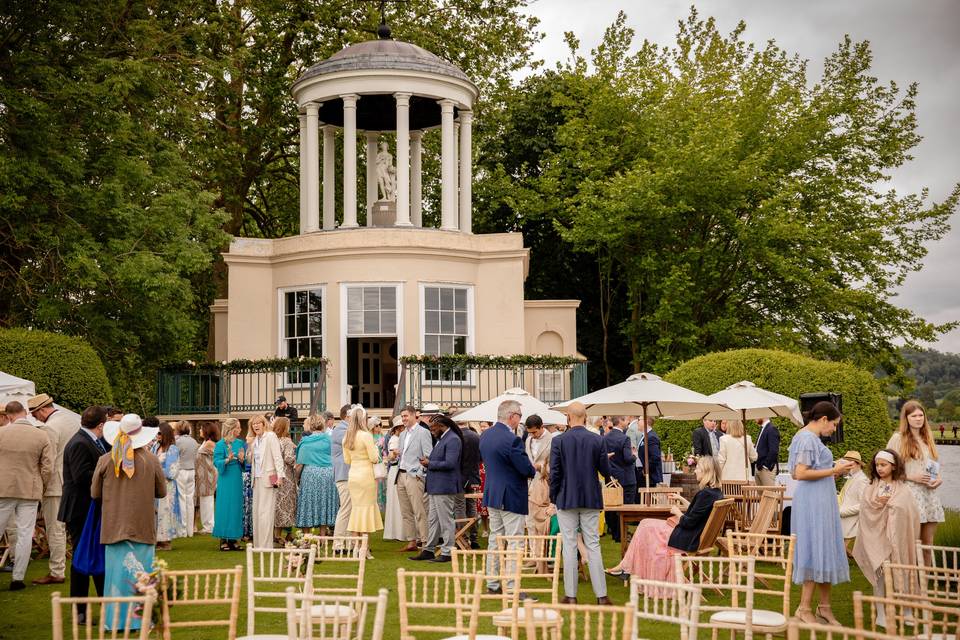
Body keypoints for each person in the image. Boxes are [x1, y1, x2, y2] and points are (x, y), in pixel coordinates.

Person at [604, 456, 724, 589]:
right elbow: (698, 514)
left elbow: (689, 522)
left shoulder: (705, 494)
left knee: (645, 526)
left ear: (707, 472)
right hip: (694, 536)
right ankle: (625, 567)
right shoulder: (715, 493)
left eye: (698, 468)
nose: (695, 471)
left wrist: (677, 512)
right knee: (645, 525)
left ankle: (626, 567)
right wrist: (681, 499)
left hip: (687, 538)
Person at [93, 415, 164, 631]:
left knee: (115, 575)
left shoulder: (105, 460)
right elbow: (162, 491)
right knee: (142, 574)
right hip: (142, 524)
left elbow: (94, 492)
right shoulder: (151, 460)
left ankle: (114, 621)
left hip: (114, 524)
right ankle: (140, 619)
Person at [789, 401, 854, 625]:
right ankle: (804, 608)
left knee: (825, 549)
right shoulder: (807, 438)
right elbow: (800, 473)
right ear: (824, 419)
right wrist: (835, 469)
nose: (834, 429)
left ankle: (824, 608)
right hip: (813, 502)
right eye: (834, 425)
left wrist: (831, 473)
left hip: (821, 499)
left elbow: (809, 471)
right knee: (814, 549)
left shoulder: (810, 438)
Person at [550, 401, 612, 605]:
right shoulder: (597, 440)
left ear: (568, 417)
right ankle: (601, 596)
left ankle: (571, 595)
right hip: (590, 496)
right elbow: (605, 470)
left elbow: (555, 473)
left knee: (569, 545)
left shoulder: (559, 441)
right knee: (593, 544)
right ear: (585, 417)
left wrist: (553, 496)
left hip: (566, 497)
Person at [852, 449, 921, 626]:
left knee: (903, 570)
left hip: (898, 538)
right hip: (876, 538)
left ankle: (906, 610)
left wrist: (892, 506)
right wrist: (879, 504)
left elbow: (909, 512)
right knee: (879, 574)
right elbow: (865, 511)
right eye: (877, 465)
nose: (880, 468)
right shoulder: (871, 486)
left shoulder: (903, 488)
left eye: (884, 465)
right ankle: (881, 612)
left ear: (894, 466)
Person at [479, 399, 536, 596]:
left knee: (495, 539)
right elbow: (525, 467)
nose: (520, 420)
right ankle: (512, 587)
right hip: (510, 494)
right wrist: (534, 469)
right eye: (519, 416)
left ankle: (493, 583)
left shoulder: (485, 436)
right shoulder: (512, 439)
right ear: (512, 416)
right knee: (515, 541)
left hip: (493, 493)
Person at [59, 405, 110, 615]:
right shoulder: (80, 442)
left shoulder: (92, 440)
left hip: (88, 508)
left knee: (95, 555)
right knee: (81, 558)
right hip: (79, 509)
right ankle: (80, 608)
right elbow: (81, 476)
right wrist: (106, 476)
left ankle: (103, 601)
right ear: (100, 424)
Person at [0, 401, 53, 590]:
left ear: (8, 416)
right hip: (29, 490)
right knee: (24, 533)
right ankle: (18, 578)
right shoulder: (41, 435)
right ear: (25, 413)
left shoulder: (1, 433)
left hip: (3, 489)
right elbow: (48, 467)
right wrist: (42, 485)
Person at [28, 393, 78, 585]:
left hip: (56, 485)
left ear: (42, 410)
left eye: (34, 414)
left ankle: (57, 571)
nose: (34, 418)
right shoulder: (71, 421)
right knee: (71, 528)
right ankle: (76, 565)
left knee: (55, 529)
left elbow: (48, 461)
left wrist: (41, 485)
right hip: (72, 482)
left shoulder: (50, 427)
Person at [887, 400, 943, 564]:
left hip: (929, 496)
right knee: (911, 545)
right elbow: (887, 469)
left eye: (921, 415)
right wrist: (912, 477)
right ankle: (909, 584)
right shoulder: (898, 438)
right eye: (914, 416)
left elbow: (933, 467)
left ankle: (925, 585)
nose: (918, 419)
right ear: (906, 418)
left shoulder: (928, 438)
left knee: (928, 545)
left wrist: (937, 479)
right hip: (909, 495)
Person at [412, 415, 462, 562]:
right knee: (433, 520)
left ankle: (447, 551)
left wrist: (429, 463)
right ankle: (429, 549)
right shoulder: (443, 439)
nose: (432, 432)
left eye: (433, 429)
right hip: (436, 486)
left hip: (444, 486)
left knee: (445, 520)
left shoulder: (452, 439)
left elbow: (450, 463)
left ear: (441, 426)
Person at [342, 405, 383, 550]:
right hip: (366, 476)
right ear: (363, 419)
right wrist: (378, 455)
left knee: (356, 510)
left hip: (353, 475)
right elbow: (374, 458)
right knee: (365, 510)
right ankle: (364, 548)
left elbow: (347, 460)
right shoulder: (366, 436)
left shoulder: (347, 436)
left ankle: (356, 545)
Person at [395, 404, 433, 552]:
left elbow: (428, 455)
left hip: (414, 476)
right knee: (405, 511)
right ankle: (412, 541)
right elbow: (402, 455)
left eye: (406, 416)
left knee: (419, 511)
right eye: (402, 416)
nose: (404, 419)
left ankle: (425, 542)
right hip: (401, 474)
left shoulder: (423, 432)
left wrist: (419, 473)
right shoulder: (403, 434)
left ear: (414, 415)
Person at [295, 414, 338, 533]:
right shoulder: (330, 439)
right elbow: (336, 457)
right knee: (324, 503)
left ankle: (306, 536)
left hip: (311, 474)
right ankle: (323, 535)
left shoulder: (305, 442)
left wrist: (296, 479)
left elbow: (299, 464)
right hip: (328, 474)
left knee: (308, 503)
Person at [250, 413, 285, 549]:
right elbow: (253, 461)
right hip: (256, 479)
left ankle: (266, 545)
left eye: (259, 423)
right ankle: (258, 544)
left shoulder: (270, 437)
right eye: (254, 424)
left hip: (269, 480)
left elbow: (277, 457)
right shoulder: (255, 441)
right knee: (257, 513)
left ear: (264, 424)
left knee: (266, 513)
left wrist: (280, 476)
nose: (256, 426)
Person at [213, 418, 245, 550]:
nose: (240, 430)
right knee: (224, 506)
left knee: (236, 507)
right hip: (225, 477)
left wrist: (242, 460)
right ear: (232, 429)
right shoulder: (220, 444)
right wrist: (227, 459)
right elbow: (216, 462)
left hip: (236, 476)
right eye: (238, 427)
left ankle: (233, 539)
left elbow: (244, 463)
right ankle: (223, 539)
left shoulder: (240, 443)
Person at [603, 415, 636, 542]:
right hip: (626, 478)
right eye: (626, 420)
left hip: (611, 477)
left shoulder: (605, 438)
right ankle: (623, 533)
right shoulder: (625, 438)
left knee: (612, 507)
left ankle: (616, 533)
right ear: (620, 422)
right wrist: (634, 455)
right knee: (625, 507)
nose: (627, 422)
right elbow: (628, 459)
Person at [152, 421, 183, 549]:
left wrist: (156, 469)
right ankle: (157, 539)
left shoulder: (172, 449)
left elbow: (172, 471)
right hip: (155, 484)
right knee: (156, 512)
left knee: (166, 512)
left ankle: (165, 540)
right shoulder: (155, 446)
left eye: (159, 433)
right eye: (156, 433)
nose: (157, 436)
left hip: (167, 486)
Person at [524, 415, 555, 540]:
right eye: (529, 432)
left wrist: (541, 468)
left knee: (543, 520)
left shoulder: (552, 440)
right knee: (530, 521)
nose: (532, 435)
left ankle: (545, 555)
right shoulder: (528, 440)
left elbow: (555, 467)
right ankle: (534, 556)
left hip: (544, 485)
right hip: (530, 485)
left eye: (534, 432)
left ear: (542, 427)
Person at [272, 417, 298, 543]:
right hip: (286, 477)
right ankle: (280, 535)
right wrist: (298, 459)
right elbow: (288, 458)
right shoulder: (287, 441)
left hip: (274, 475)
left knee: (277, 505)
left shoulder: (273, 440)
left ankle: (278, 534)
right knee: (286, 505)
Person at [330, 404, 353, 541]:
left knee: (350, 509)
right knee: (345, 508)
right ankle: (338, 542)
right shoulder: (340, 429)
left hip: (349, 474)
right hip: (343, 474)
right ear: (347, 416)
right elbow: (352, 443)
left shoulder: (347, 428)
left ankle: (348, 542)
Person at [837, 451, 868, 547]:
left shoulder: (862, 480)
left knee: (838, 551)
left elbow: (863, 504)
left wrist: (841, 512)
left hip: (849, 522)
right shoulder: (853, 478)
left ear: (855, 464)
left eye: (847, 462)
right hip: (841, 519)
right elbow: (846, 497)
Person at [382, 418, 406, 541]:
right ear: (397, 429)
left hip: (400, 469)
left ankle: (403, 531)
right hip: (396, 469)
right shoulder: (394, 439)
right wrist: (397, 453)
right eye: (401, 427)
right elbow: (391, 457)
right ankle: (397, 531)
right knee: (396, 500)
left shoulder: (403, 438)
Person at [173, 421, 198, 536]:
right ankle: (190, 530)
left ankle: (183, 530)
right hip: (191, 471)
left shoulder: (177, 442)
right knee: (190, 501)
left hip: (181, 471)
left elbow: (174, 457)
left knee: (182, 499)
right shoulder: (194, 441)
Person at [195, 422, 219, 534]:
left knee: (207, 501)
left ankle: (209, 526)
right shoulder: (205, 442)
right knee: (204, 501)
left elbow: (217, 456)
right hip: (202, 475)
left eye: (201, 429)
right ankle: (207, 525)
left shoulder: (210, 443)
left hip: (208, 474)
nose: (200, 430)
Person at [754, 417, 781, 486]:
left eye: (756, 416)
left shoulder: (771, 429)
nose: (754, 418)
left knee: (769, 495)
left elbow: (774, 450)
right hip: (759, 468)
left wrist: (765, 466)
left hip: (766, 470)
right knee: (761, 496)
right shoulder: (762, 429)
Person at [636, 418, 662, 488]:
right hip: (645, 476)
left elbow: (655, 457)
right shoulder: (645, 435)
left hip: (650, 476)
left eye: (639, 420)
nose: (637, 422)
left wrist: (645, 470)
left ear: (646, 421)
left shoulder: (651, 437)